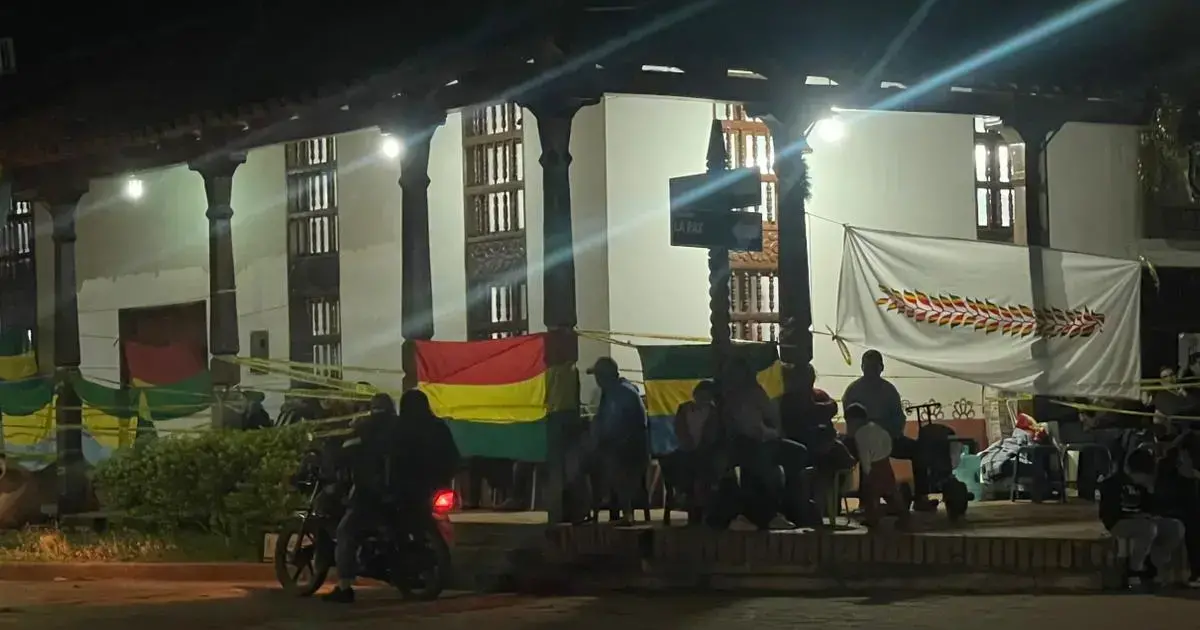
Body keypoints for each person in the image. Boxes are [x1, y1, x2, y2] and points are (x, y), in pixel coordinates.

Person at [324, 393, 402, 603]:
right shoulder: (402, 426)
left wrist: (333, 462)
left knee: (345, 532)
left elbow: (345, 452)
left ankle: (344, 586)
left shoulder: (365, 427)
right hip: (404, 491)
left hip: (372, 492)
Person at [843, 350, 937, 512]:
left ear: (881, 368)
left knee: (918, 450)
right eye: (868, 366)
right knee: (866, 451)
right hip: (862, 440)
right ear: (862, 367)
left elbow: (899, 418)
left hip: (888, 438)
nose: (871, 370)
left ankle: (921, 497)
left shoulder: (889, 390)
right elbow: (851, 419)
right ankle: (866, 502)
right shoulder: (853, 391)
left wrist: (890, 434)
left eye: (874, 366)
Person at [1100, 445, 1185, 591]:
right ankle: (1134, 570)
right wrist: (1136, 516)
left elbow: (1153, 508)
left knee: (1175, 527)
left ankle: (1154, 564)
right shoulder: (1113, 483)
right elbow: (1108, 513)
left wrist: (1150, 492)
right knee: (1148, 528)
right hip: (1120, 522)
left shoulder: (1144, 484)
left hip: (1144, 519)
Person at [587, 357, 649, 526]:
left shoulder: (623, 393)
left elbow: (625, 427)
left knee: (613, 461)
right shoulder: (610, 392)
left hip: (631, 448)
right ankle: (592, 505)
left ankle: (626, 511)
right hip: (618, 444)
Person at [666, 380, 722, 522]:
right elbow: (679, 429)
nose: (702, 398)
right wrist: (687, 442)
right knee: (681, 466)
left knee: (702, 470)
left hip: (705, 452)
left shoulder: (714, 412)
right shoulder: (684, 408)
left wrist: (702, 447)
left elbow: (712, 434)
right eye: (700, 394)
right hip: (686, 450)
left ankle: (700, 509)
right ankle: (686, 499)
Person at [847, 403, 909, 529]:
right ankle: (904, 516)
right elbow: (888, 443)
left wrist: (867, 472)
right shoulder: (877, 428)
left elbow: (864, 455)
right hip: (885, 462)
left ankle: (873, 519)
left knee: (871, 495)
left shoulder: (860, 434)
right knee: (891, 491)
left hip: (874, 466)